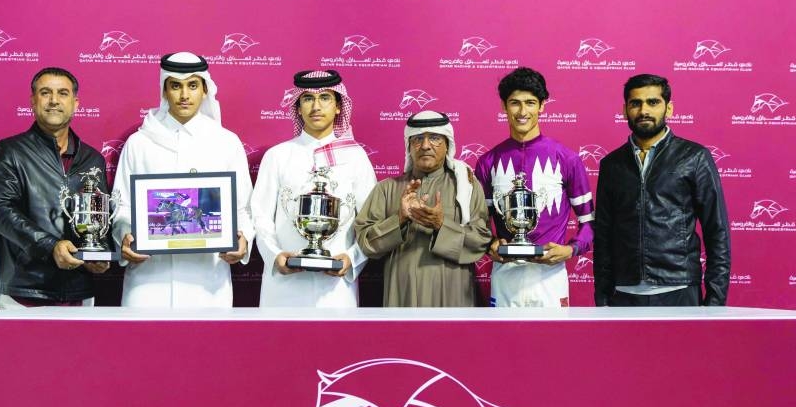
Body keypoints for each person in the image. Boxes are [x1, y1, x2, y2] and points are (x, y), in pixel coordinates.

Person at [112, 52, 254, 307]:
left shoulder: (226, 142)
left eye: (192, 85)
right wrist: (126, 235)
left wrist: (242, 240)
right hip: (148, 282)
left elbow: (242, 208)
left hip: (208, 284)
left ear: (205, 90)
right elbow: (122, 207)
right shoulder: (139, 143)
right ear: (165, 91)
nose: (184, 95)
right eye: (176, 86)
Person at [594, 73, 730, 306]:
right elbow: (603, 236)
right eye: (635, 103)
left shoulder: (694, 157)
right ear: (625, 109)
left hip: (679, 287)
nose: (644, 110)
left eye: (653, 102)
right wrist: (602, 296)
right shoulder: (611, 164)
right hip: (624, 292)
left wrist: (716, 300)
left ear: (669, 109)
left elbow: (717, 230)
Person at [0, 67, 111, 307]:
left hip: (79, 292)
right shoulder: (9, 152)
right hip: (26, 292)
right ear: (33, 101)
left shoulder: (93, 159)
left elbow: (99, 217)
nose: (54, 100)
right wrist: (50, 247)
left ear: (75, 103)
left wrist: (99, 252)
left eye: (62, 93)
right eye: (45, 93)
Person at [251, 70, 377, 307]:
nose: (316, 106)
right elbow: (260, 216)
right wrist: (275, 255)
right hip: (284, 289)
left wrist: (351, 258)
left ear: (339, 106)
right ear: (298, 107)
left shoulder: (356, 157)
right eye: (308, 98)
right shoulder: (278, 156)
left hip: (337, 289)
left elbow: (370, 221)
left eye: (325, 98)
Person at [475, 67, 594, 307]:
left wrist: (570, 250)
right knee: (503, 344)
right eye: (514, 103)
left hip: (550, 277)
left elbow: (590, 222)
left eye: (530, 103)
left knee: (554, 345)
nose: (522, 111)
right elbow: (477, 224)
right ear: (504, 106)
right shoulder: (488, 162)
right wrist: (490, 245)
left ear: (542, 106)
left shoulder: (566, 159)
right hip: (505, 274)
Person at [354, 110, 491, 306]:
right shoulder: (387, 188)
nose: (425, 146)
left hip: (452, 294)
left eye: (434, 138)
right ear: (409, 146)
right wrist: (399, 219)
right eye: (418, 139)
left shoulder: (466, 186)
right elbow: (366, 243)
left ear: (447, 145)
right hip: (402, 294)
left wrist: (441, 225)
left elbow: (480, 240)